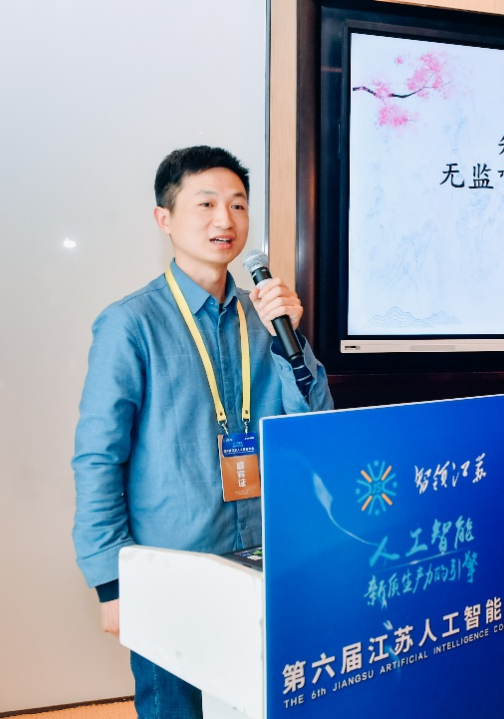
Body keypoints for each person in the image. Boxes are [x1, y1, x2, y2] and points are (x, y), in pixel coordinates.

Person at [72, 146, 333, 719]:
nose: (226, 219)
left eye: (238, 205)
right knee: (176, 707)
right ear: (164, 218)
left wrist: (292, 342)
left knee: (256, 700)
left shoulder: (265, 319)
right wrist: (112, 580)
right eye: (207, 203)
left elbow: (314, 427)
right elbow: (98, 457)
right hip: (173, 564)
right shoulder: (131, 323)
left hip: (264, 554)